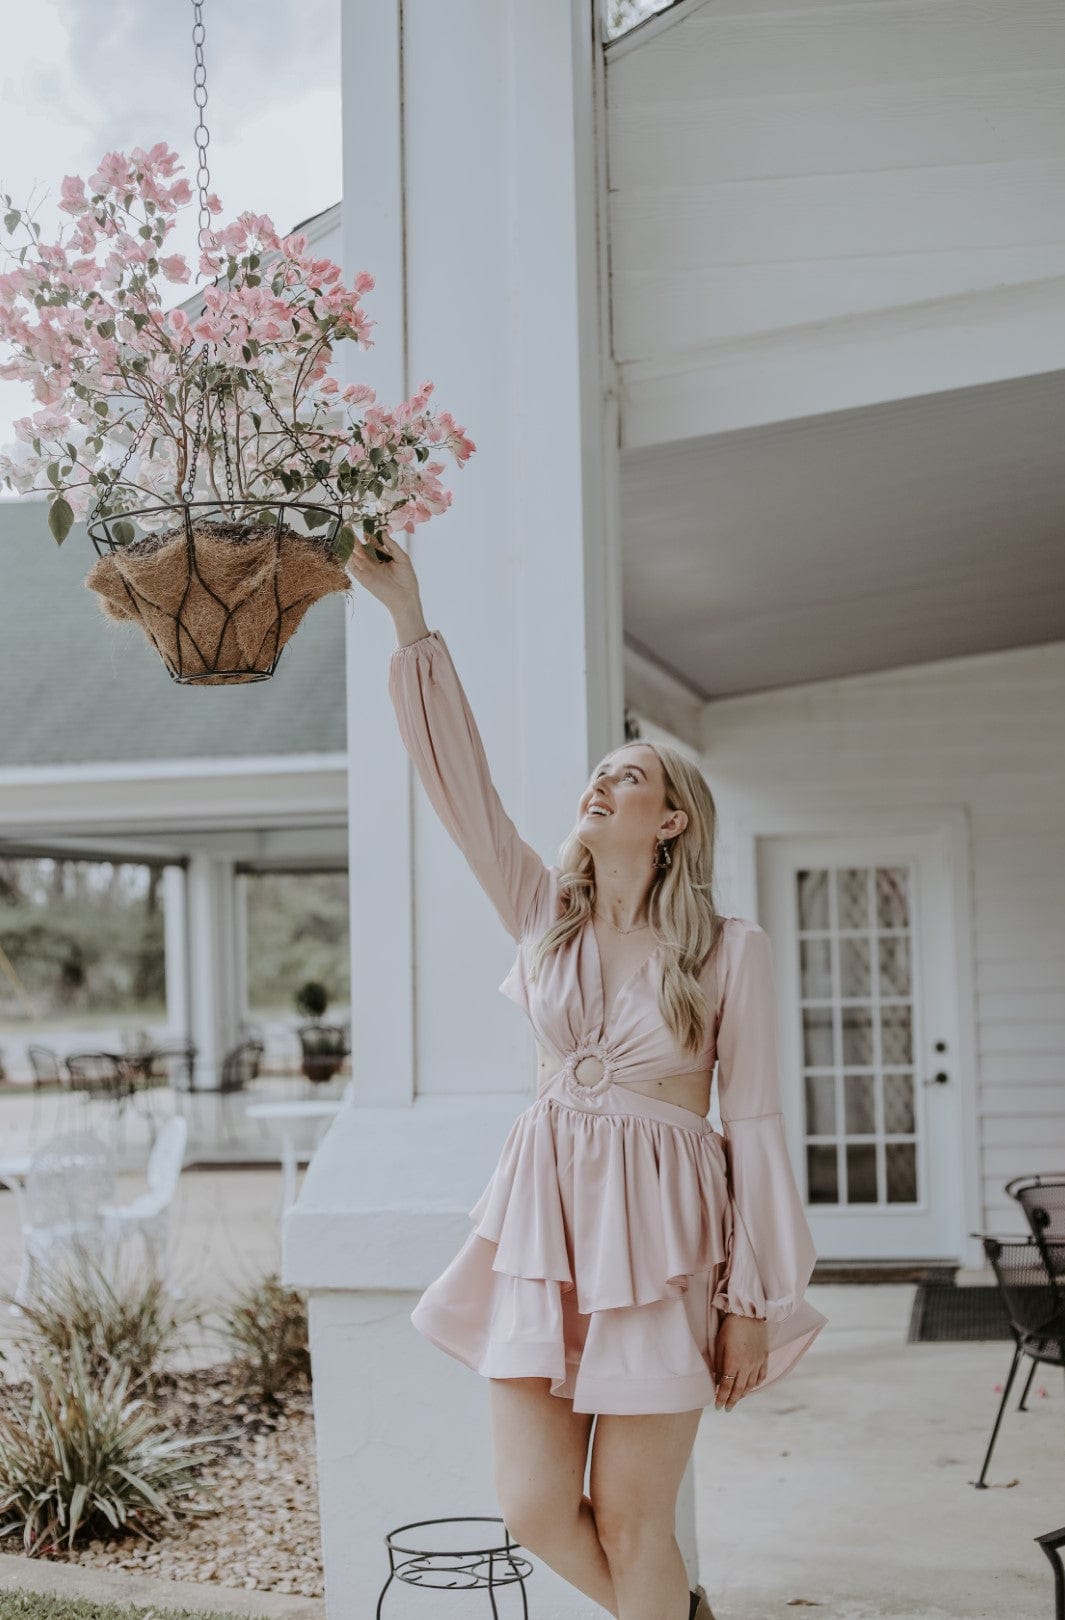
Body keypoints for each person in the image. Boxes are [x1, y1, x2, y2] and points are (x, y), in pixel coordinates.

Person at [346, 532, 827, 1620]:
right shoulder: (542, 917)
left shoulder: (728, 948)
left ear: (671, 822)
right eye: (600, 774)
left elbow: (750, 1126)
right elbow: (461, 791)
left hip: (666, 1246)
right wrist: (408, 618)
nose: (604, 780)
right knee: (531, 1510)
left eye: (633, 775)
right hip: (544, 1228)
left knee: (629, 1519)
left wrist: (750, 1303)